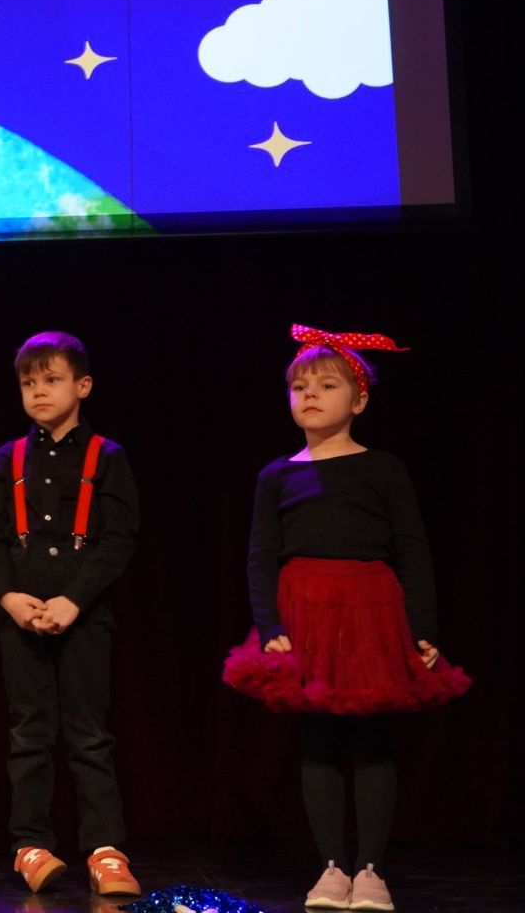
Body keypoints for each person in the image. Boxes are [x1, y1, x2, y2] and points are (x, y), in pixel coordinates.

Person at [223, 326, 469, 912]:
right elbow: (261, 555)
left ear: (358, 400)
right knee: (319, 740)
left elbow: (412, 550)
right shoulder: (277, 474)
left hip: (369, 610)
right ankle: (331, 867)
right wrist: (270, 626)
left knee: (372, 740)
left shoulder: (383, 468)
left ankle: (371, 870)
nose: (309, 395)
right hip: (304, 610)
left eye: (326, 385)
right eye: (299, 386)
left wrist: (421, 629)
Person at [0, 332, 141, 898]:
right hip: (21, 613)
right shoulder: (6, 459)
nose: (38, 391)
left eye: (51, 380)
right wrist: (8, 597)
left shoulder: (107, 456)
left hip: (84, 613)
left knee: (89, 734)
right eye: (28, 382)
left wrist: (75, 598)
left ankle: (105, 849)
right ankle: (31, 845)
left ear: (82, 386)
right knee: (30, 731)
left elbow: (119, 538)